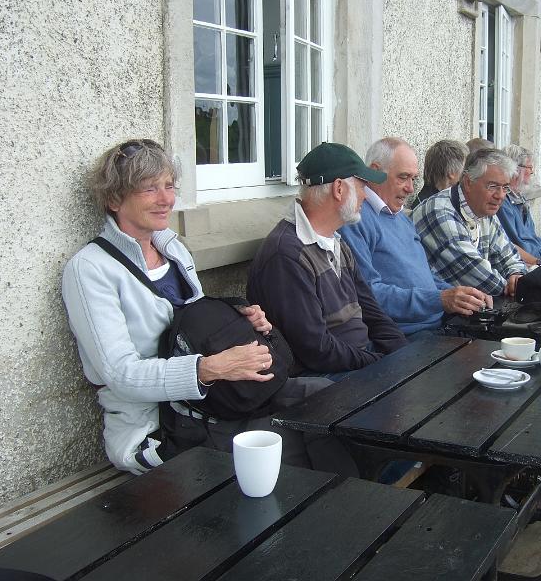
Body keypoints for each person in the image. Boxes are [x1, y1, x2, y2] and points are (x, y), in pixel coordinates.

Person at [62, 139, 356, 477]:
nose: (165, 200)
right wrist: (208, 369)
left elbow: (195, 327)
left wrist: (243, 320)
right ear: (114, 198)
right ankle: (342, 508)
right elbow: (119, 375)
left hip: (217, 401)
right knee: (295, 441)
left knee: (329, 398)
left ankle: (353, 504)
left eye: (169, 186)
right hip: (162, 427)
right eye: (148, 189)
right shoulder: (91, 269)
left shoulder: (172, 249)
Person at [247, 142, 408, 376]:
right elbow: (316, 349)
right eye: (362, 186)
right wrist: (379, 364)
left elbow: (372, 311)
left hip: (357, 363)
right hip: (327, 379)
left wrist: (403, 354)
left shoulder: (336, 241)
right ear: (339, 189)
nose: (365, 194)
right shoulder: (286, 254)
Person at [339, 137, 491, 335]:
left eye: (414, 179)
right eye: (403, 177)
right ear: (375, 171)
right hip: (406, 336)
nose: (410, 188)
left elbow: (426, 277)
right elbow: (368, 294)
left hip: (439, 325)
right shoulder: (356, 219)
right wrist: (440, 299)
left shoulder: (399, 216)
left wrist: (463, 296)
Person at [413, 148, 527, 298]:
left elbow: (509, 255)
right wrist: (515, 287)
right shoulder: (439, 211)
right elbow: (479, 279)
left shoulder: (483, 208)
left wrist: (516, 274)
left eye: (505, 187)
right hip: (433, 314)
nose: (500, 196)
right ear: (467, 182)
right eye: (492, 186)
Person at [496, 144, 541, 266]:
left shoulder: (520, 198)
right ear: (516, 170)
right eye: (529, 167)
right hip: (527, 265)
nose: (532, 171)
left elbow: (533, 237)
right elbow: (515, 244)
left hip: (540, 259)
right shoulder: (503, 203)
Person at [410, 139, 468, 209]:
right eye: (465, 169)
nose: (468, 174)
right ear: (451, 173)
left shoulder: (438, 199)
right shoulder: (433, 207)